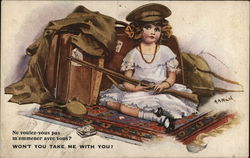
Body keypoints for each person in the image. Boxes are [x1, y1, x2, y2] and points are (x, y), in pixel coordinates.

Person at [99, 3, 198, 132]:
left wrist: (164, 85)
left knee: (171, 104)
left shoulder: (165, 51)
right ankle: (157, 118)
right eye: (148, 27)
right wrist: (135, 88)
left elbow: (171, 76)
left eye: (157, 29)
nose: (153, 32)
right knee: (109, 103)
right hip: (139, 91)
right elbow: (127, 80)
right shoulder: (133, 53)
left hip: (161, 90)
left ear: (162, 31)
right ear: (139, 30)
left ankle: (159, 113)